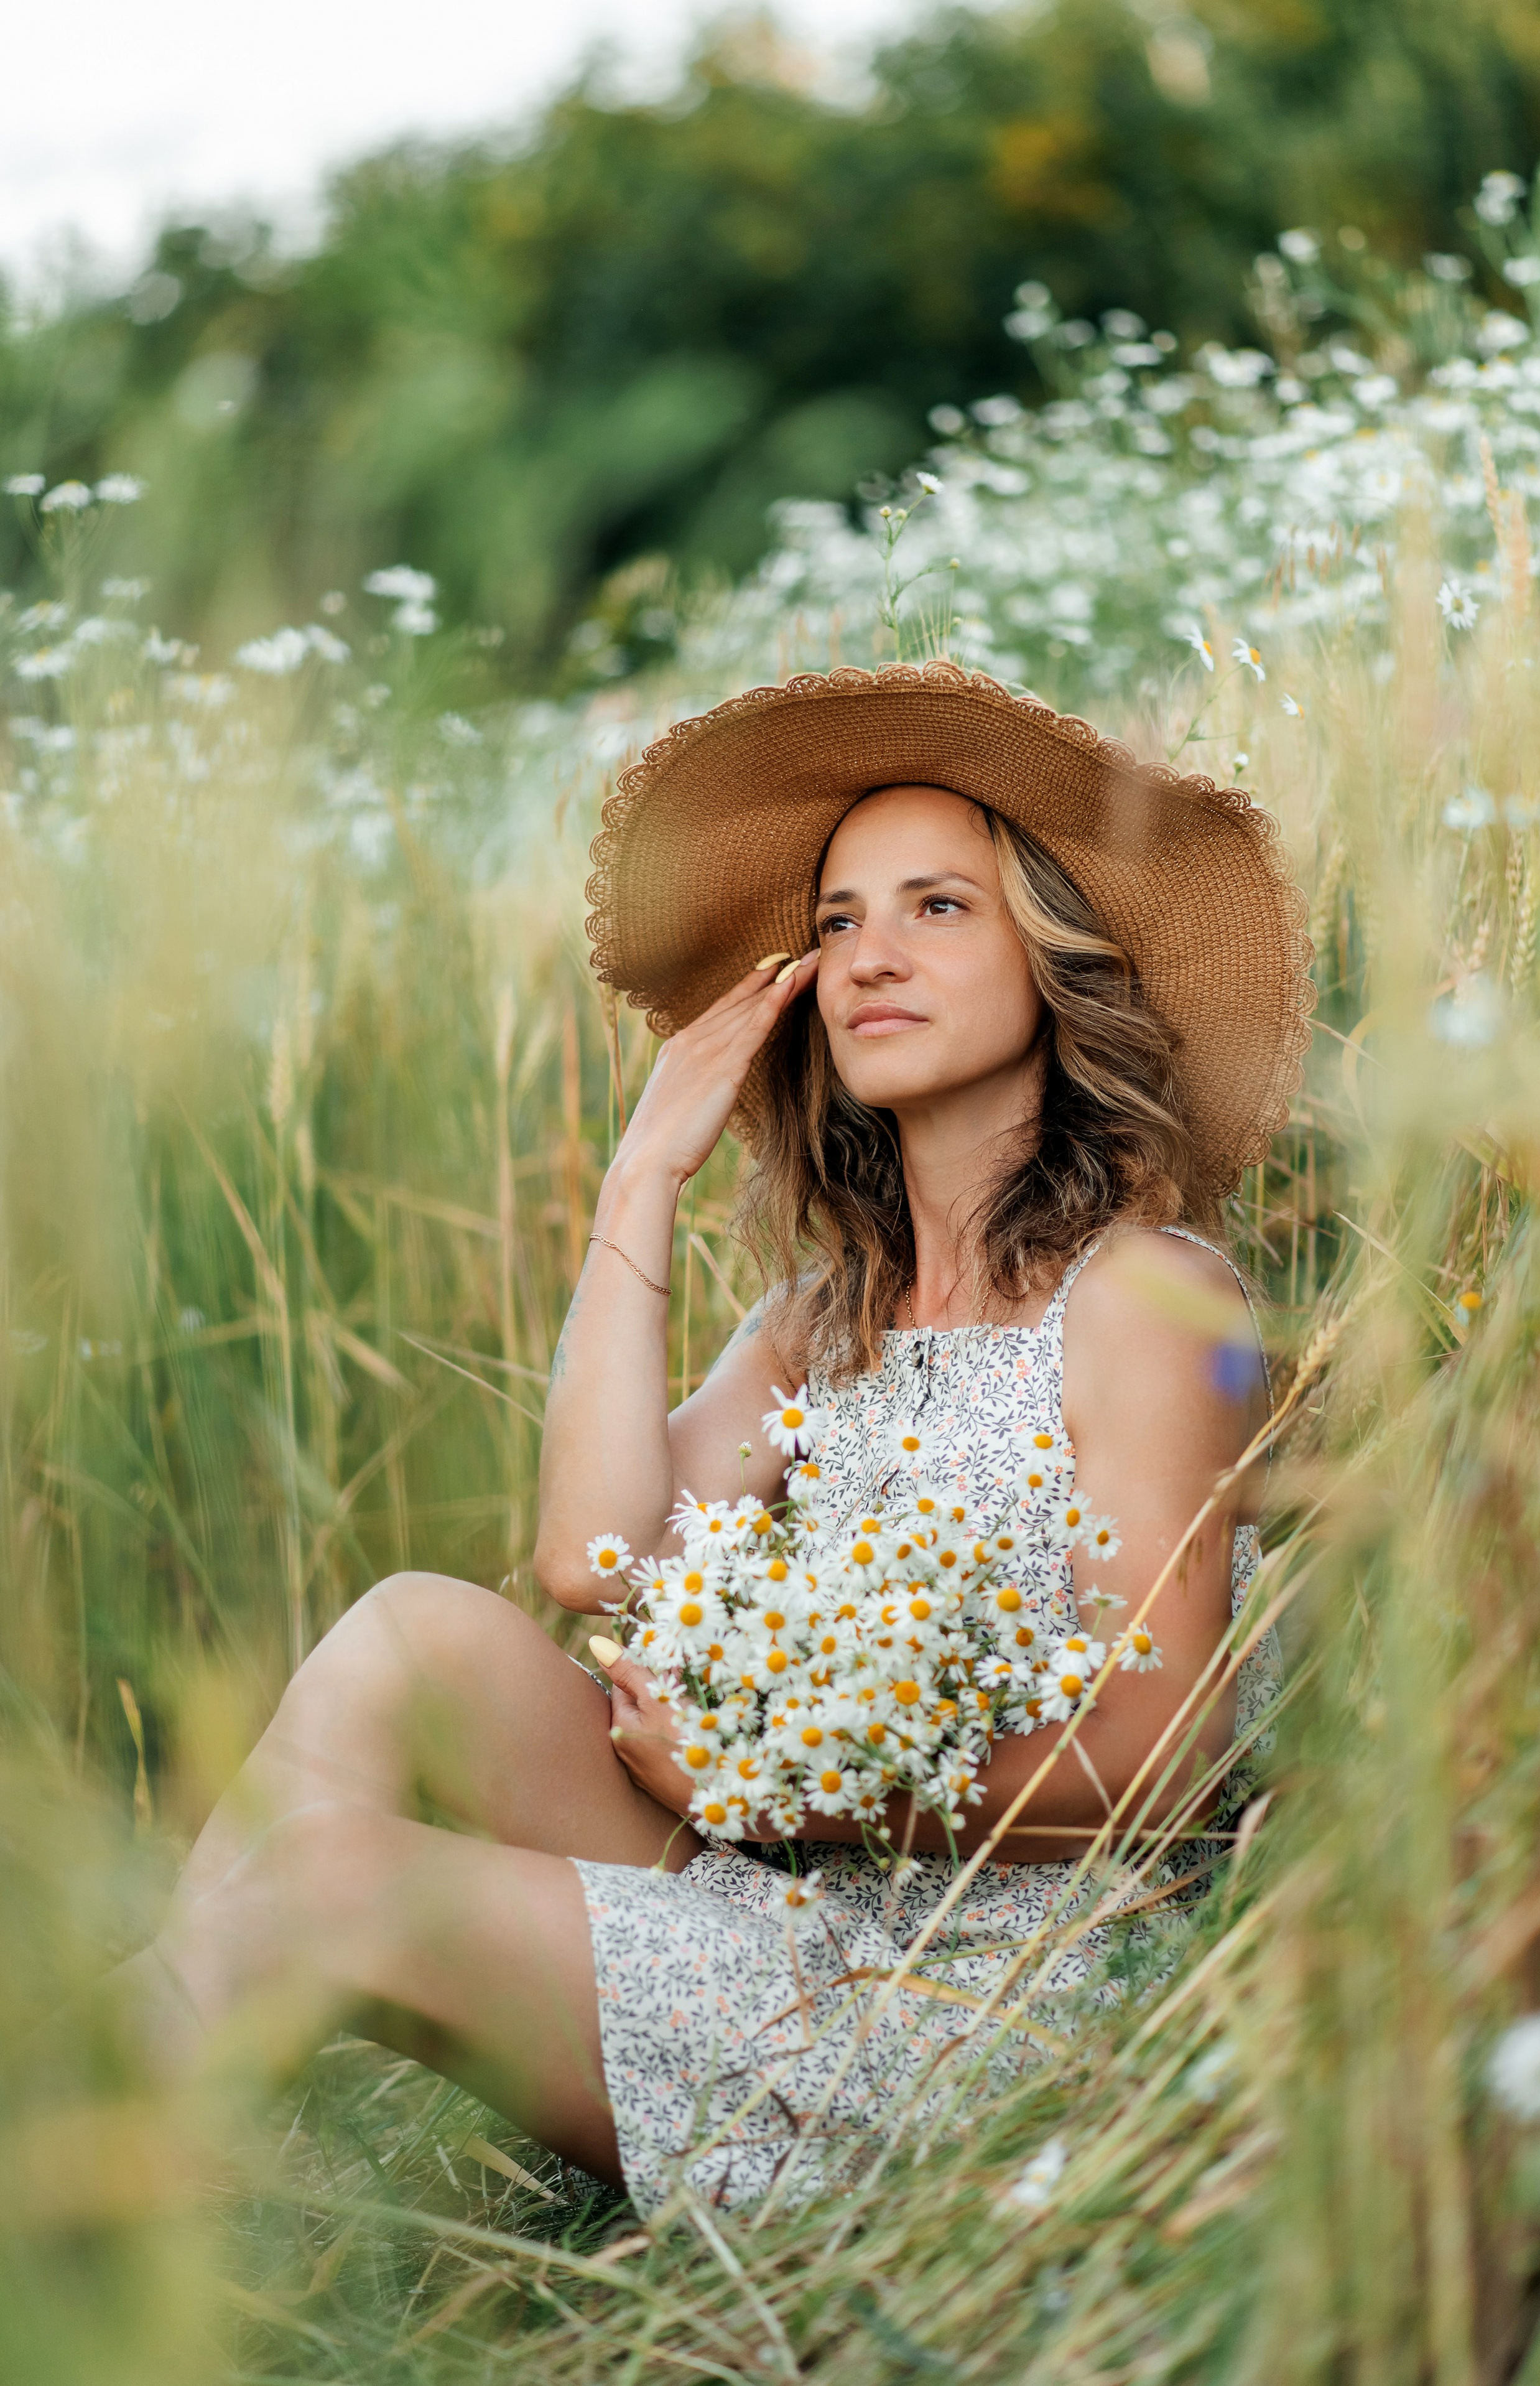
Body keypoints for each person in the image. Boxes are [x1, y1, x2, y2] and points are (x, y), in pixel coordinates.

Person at [121, 662, 1312, 2216]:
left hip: (982, 1995)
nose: (868, 955)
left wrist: (773, 1789)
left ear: (1055, 959)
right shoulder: (824, 1321)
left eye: (935, 908)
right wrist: (643, 1175)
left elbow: (1166, 1756)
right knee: (413, 1633)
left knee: (318, 1891)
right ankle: (112, 2156)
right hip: (800, 1899)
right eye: (834, 923)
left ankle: (95, 2163)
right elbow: (591, 1558)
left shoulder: (1145, 1299)